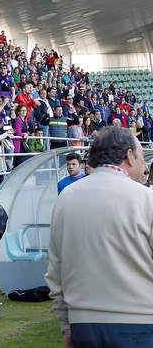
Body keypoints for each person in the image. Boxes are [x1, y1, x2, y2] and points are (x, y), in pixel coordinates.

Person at [46, 126, 153, 347]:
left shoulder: (66, 197)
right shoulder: (145, 199)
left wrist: (67, 325)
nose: (144, 166)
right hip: (141, 324)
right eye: (142, 156)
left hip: (84, 326)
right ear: (130, 156)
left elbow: (56, 270)